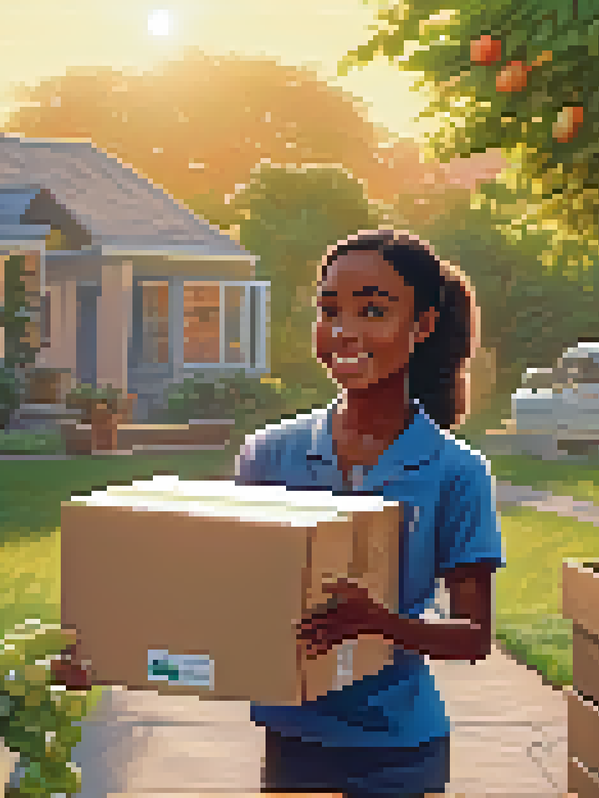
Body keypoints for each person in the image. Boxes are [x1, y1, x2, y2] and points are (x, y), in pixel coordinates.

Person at [53, 228, 504, 797]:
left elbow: (473, 636)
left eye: (373, 310)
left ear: (422, 327)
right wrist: (103, 651)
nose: (344, 330)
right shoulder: (270, 454)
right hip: (293, 744)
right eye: (330, 309)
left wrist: (379, 623)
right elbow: (219, 601)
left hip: (399, 751)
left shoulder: (456, 473)